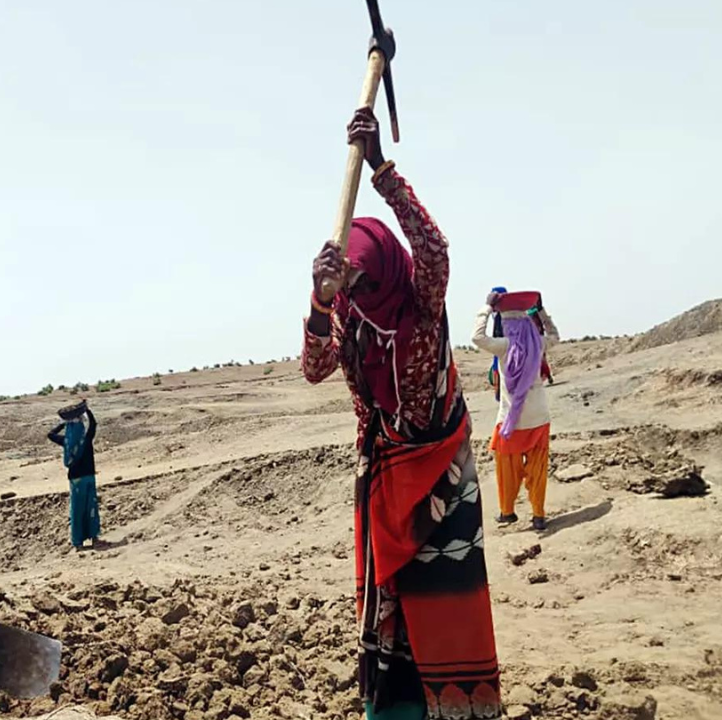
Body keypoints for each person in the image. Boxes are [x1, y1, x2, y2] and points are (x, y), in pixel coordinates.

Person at [302, 107, 501, 720]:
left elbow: (434, 248)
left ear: (386, 266)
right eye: (349, 283)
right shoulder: (347, 314)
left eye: (363, 281)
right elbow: (313, 367)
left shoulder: (421, 301)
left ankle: (458, 708)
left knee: (444, 599)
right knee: (389, 604)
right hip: (385, 479)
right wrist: (320, 300)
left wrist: (381, 168)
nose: (358, 293)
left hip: (443, 474)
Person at [472, 291, 560, 531]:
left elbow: (477, 337)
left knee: (506, 468)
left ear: (507, 326)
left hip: (511, 420)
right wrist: (542, 311)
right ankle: (538, 515)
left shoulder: (504, 346)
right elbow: (555, 335)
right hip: (539, 417)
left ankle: (507, 512)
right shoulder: (538, 342)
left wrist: (486, 308)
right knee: (538, 468)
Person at [48, 403, 102, 549]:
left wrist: (63, 424)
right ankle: (94, 537)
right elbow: (93, 424)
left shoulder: (67, 441)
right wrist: (88, 410)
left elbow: (50, 435)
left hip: (75, 480)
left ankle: (78, 542)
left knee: (77, 509)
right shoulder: (86, 439)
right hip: (89, 476)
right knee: (91, 507)